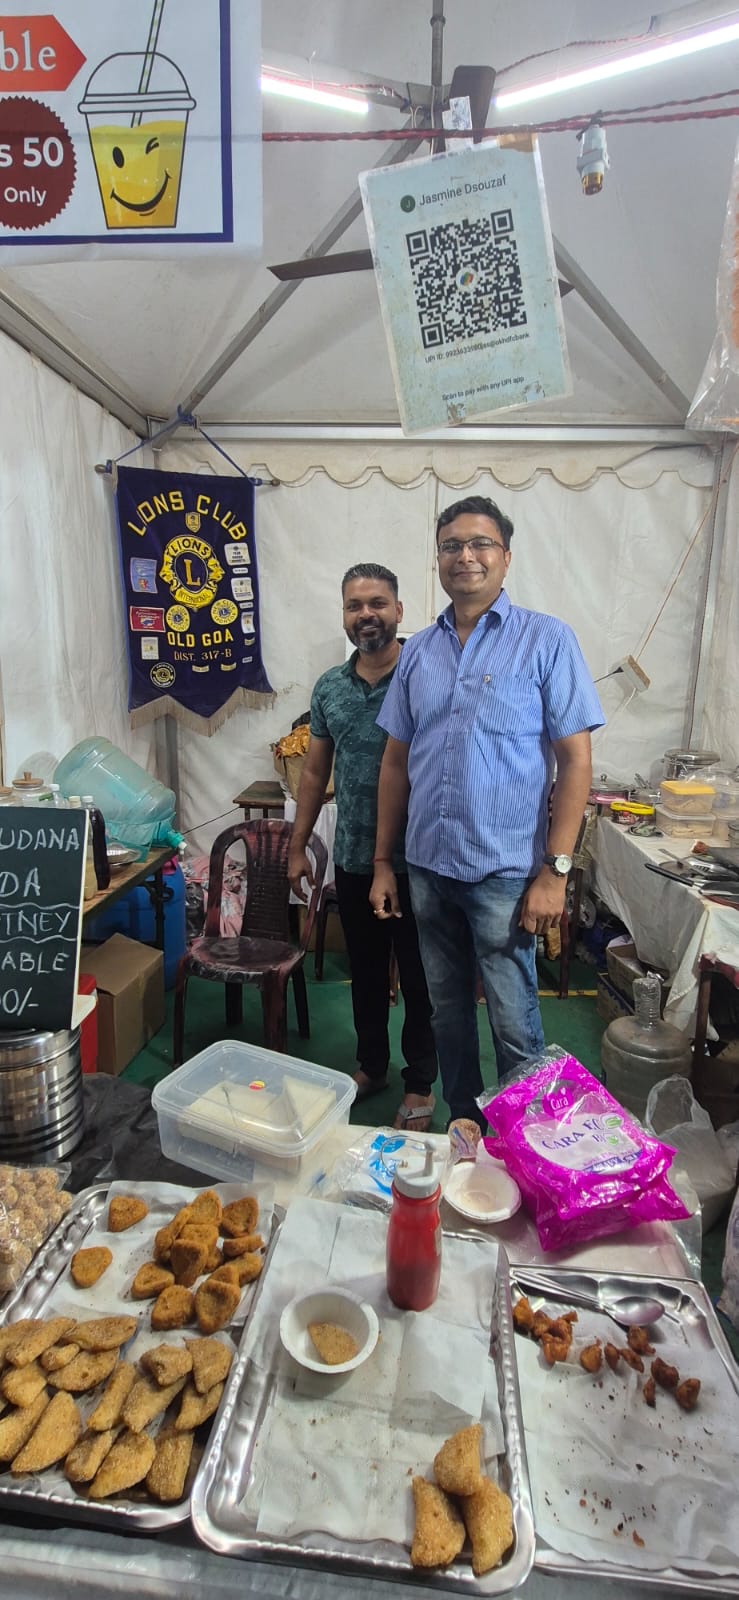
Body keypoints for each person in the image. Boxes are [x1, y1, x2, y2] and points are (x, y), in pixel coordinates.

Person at [369, 496, 605, 1128]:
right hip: (427, 869)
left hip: (504, 873)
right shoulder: (417, 651)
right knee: (446, 1011)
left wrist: (555, 873)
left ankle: (527, 1146)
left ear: (505, 556)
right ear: (439, 559)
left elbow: (575, 762)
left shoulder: (547, 640)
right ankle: (465, 1129)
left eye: (480, 544)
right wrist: (384, 862)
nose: (465, 556)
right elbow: (395, 763)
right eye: (452, 546)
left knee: (513, 1019)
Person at [287, 562, 437, 1131]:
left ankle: (420, 1082)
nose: (366, 615)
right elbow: (312, 774)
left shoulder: (424, 674)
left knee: (421, 978)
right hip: (353, 857)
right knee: (367, 972)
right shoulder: (329, 687)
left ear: (399, 611)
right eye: (355, 605)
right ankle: (372, 1066)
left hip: (419, 860)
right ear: (345, 616)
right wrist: (298, 846)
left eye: (378, 603)